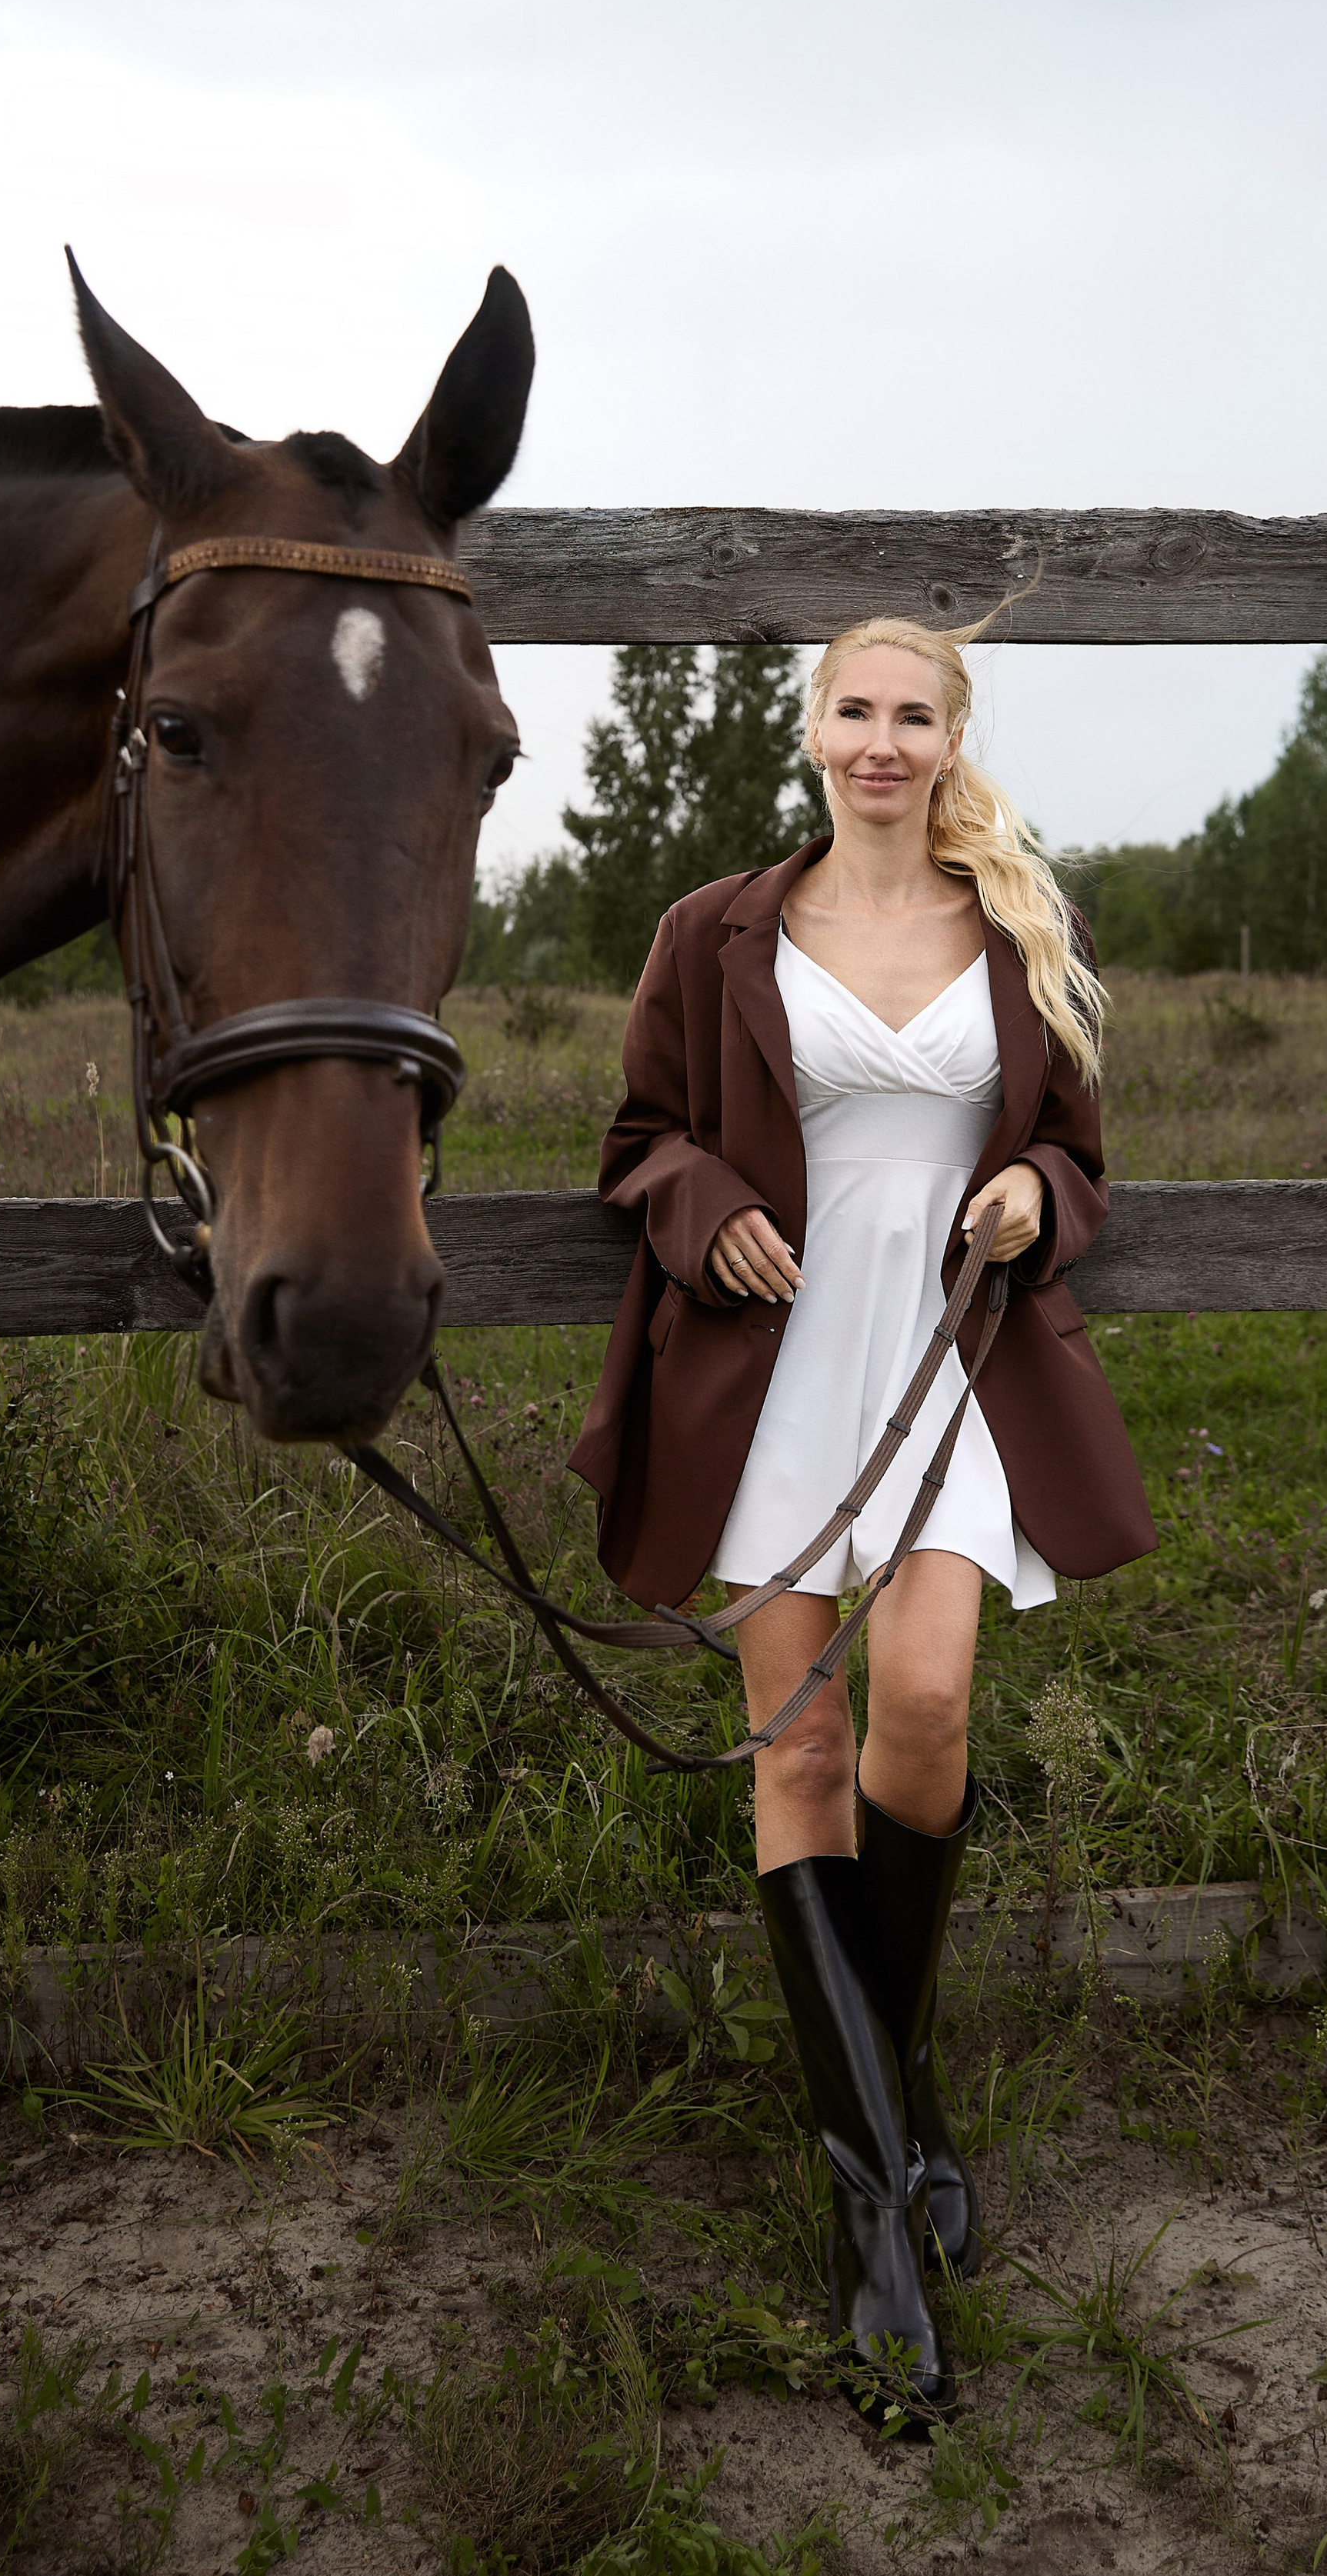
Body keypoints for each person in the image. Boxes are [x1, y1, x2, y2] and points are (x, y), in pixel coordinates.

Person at [567, 615, 1155, 2423]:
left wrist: (1025, 1194)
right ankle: (871, 2211)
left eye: (912, 714)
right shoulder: (716, 929)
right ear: (810, 728)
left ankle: (884, 2099)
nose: (879, 741)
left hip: (947, 1366)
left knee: (923, 1708)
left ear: (948, 734)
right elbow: (635, 1138)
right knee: (800, 1753)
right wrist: (697, 1205)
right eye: (853, 710)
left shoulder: (1010, 936)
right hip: (775, 1374)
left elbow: (1079, 1160)